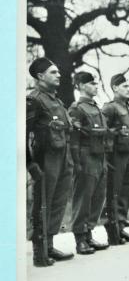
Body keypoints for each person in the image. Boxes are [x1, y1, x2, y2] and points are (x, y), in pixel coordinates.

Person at [26, 57, 75, 266]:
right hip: (45, 160)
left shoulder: (56, 101)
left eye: (58, 72)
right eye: (53, 72)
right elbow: (21, 134)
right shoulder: (34, 100)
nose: (59, 75)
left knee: (57, 202)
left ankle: (49, 244)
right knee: (42, 203)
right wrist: (30, 164)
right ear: (40, 76)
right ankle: (39, 251)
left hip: (62, 158)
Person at [68, 71, 110, 255]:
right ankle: (80, 239)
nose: (96, 86)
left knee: (98, 197)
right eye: (92, 83)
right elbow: (74, 139)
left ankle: (89, 233)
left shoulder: (96, 108)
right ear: (81, 86)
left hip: (99, 157)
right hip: (86, 157)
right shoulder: (77, 108)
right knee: (83, 198)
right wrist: (77, 163)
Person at [101, 74, 129, 244]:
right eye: (124, 86)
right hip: (115, 155)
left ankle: (121, 225)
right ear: (115, 88)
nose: (128, 89)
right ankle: (113, 227)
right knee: (114, 192)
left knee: (125, 190)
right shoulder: (110, 108)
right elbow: (104, 131)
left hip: (128, 154)